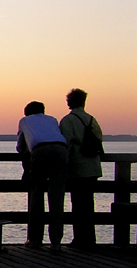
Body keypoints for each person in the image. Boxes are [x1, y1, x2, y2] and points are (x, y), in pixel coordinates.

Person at [17, 101, 68, 250]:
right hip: (61, 149)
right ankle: (56, 241)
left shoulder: (24, 121)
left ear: (26, 112)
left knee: (37, 194)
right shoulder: (52, 119)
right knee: (57, 197)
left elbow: (20, 146)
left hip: (40, 150)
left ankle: (35, 239)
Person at [59, 88, 103, 249]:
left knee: (77, 204)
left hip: (77, 167)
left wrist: (64, 164)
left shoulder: (67, 120)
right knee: (89, 204)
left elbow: (66, 143)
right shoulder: (91, 119)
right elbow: (99, 139)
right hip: (93, 167)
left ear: (70, 102)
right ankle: (90, 239)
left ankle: (79, 239)